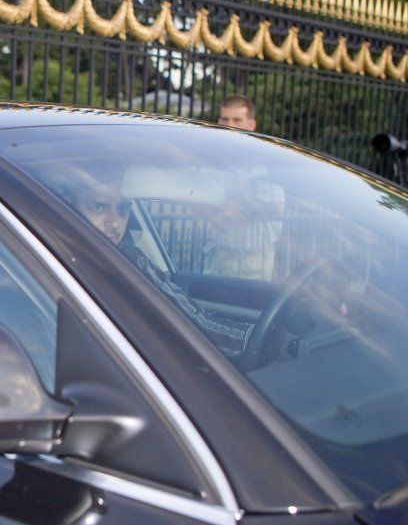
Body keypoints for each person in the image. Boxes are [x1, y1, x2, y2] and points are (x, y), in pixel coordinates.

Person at [65, 170, 253, 357]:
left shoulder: (129, 258)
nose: (114, 222)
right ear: (67, 207)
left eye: (123, 209)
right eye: (98, 208)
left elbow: (187, 319)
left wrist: (252, 339)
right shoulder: (50, 264)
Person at [208, 96, 284, 280]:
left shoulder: (266, 159)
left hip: (257, 259)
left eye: (237, 120)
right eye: (225, 119)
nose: (229, 125)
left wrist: (230, 208)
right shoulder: (211, 158)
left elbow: (275, 205)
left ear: (251, 125)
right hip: (221, 255)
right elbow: (196, 199)